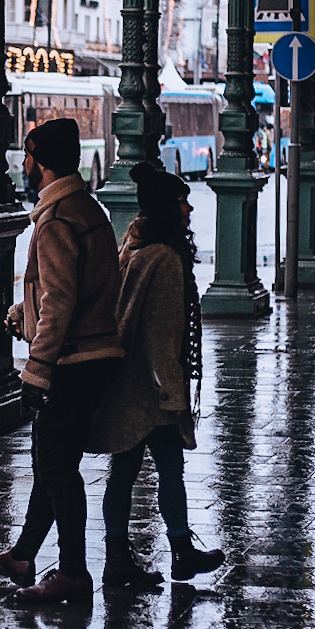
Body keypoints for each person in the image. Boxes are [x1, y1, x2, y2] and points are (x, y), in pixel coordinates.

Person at [0, 117, 124, 604]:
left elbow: (62, 301)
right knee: (51, 461)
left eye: (27, 156)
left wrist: (37, 369)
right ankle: (24, 555)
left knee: (57, 468)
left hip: (74, 359)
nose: (24, 164)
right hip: (93, 352)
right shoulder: (86, 208)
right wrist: (27, 312)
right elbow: (78, 287)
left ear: (41, 161)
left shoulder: (57, 217)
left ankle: (72, 571)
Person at [90, 162, 224, 588]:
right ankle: (179, 552)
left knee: (125, 472)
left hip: (127, 380)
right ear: (167, 208)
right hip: (152, 389)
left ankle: (119, 557)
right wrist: (173, 393)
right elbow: (164, 333)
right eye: (182, 201)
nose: (188, 208)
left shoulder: (133, 244)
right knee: (168, 470)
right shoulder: (166, 258)